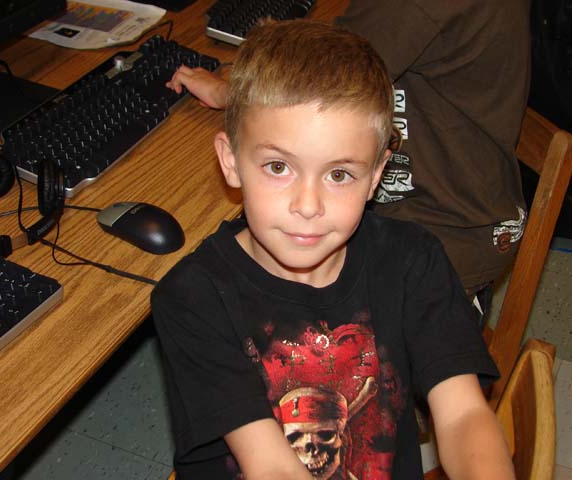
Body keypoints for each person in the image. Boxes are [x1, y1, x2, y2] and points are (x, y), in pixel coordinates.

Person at [153, 20, 514, 480]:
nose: (308, 206)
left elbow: (464, 414)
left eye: (339, 174)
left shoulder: (413, 261)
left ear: (376, 175)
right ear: (231, 162)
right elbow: (270, 467)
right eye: (278, 167)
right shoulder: (193, 297)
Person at [166, 0, 531, 315]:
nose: (307, 204)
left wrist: (229, 92)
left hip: (447, 226)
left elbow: (317, 82)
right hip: (472, 201)